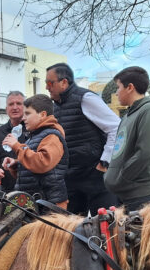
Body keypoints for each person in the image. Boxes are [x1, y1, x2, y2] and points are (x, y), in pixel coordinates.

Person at [46, 63, 120, 215]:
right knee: (72, 231)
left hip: (96, 177)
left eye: (50, 83)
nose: (47, 87)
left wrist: (105, 162)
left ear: (64, 82)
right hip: (72, 178)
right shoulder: (56, 107)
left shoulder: (86, 98)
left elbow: (116, 127)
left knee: (105, 229)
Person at [104, 66, 150, 212]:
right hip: (126, 194)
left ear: (130, 87)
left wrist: (121, 178)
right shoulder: (128, 115)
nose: (116, 92)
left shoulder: (149, 110)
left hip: (143, 196)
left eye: (118, 87)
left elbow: (144, 154)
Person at [1, 94, 69, 207]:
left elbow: (42, 163)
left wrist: (17, 147)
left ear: (42, 115)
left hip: (49, 204)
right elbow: (32, 170)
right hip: (34, 202)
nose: (23, 118)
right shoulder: (34, 137)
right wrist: (15, 164)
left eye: (27, 114)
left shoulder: (52, 136)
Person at [0, 91, 28, 192]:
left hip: (29, 190)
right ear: (6, 109)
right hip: (5, 191)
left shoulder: (32, 129)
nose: (15, 107)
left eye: (19, 103)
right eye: (11, 104)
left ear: (25, 108)